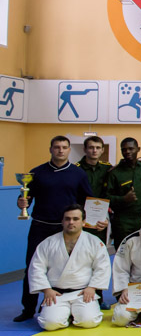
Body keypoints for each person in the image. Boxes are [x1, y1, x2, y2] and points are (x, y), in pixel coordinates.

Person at [15, 136, 94, 322]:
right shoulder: (37, 173)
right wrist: (21, 203)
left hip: (67, 229)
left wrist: (95, 219)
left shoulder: (78, 174)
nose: (60, 150)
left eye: (64, 147)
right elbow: (27, 198)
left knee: (67, 267)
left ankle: (60, 305)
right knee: (32, 266)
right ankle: (28, 309)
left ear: (69, 150)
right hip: (41, 226)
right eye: (57, 147)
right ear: (50, 149)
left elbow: (88, 201)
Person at [27, 204, 110, 331]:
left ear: (83, 222)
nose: (71, 222)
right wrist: (46, 289)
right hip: (56, 294)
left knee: (89, 321)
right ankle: (65, 314)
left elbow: (102, 267)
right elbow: (36, 268)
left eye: (75, 219)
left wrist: (92, 287)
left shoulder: (94, 242)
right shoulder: (48, 243)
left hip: (83, 293)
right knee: (50, 324)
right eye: (67, 219)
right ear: (62, 221)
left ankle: (71, 313)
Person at [106, 138, 141, 247]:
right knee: (123, 251)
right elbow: (106, 197)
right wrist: (123, 199)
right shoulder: (115, 172)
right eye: (124, 149)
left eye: (131, 149)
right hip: (122, 221)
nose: (127, 152)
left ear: (138, 149)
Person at [75, 136, 111, 240]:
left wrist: (140, 160)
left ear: (102, 150)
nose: (94, 150)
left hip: (101, 216)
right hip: (80, 215)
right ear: (85, 149)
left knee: (99, 246)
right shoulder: (76, 169)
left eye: (98, 147)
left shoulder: (108, 168)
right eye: (91, 147)